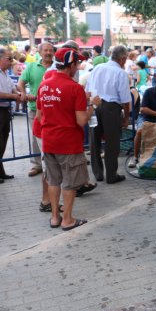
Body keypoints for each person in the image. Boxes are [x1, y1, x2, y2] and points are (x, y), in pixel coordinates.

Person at [36, 47, 100, 231]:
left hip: (49, 140)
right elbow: (81, 121)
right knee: (70, 182)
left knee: (53, 180)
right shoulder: (75, 88)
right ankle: (68, 219)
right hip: (68, 142)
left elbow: (40, 116)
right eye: (77, 63)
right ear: (70, 65)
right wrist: (93, 106)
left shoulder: (44, 85)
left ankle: (55, 217)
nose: (79, 66)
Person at [86, 45, 131, 184]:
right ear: (122, 59)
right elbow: (125, 99)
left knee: (94, 141)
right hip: (111, 108)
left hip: (95, 104)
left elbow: (87, 90)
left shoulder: (97, 68)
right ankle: (111, 175)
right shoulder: (120, 73)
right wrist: (126, 118)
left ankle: (98, 173)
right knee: (112, 142)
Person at [17, 42, 55, 176]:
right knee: (35, 137)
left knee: (54, 135)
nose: (48, 53)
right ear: (40, 52)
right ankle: (37, 164)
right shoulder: (32, 66)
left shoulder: (57, 67)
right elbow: (21, 82)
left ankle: (53, 162)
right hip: (35, 108)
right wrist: (23, 94)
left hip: (54, 109)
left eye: (51, 50)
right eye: (45, 50)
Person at [129, 75, 156, 167]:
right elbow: (143, 109)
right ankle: (135, 157)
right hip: (146, 118)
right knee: (140, 131)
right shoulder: (149, 92)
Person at [0, 48, 24, 183]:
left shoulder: (5, 73)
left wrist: (18, 93)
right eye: (9, 59)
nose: (11, 62)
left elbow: (12, 87)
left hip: (5, 111)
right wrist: (14, 96)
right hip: (0, 111)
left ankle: (1, 171)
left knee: (3, 141)